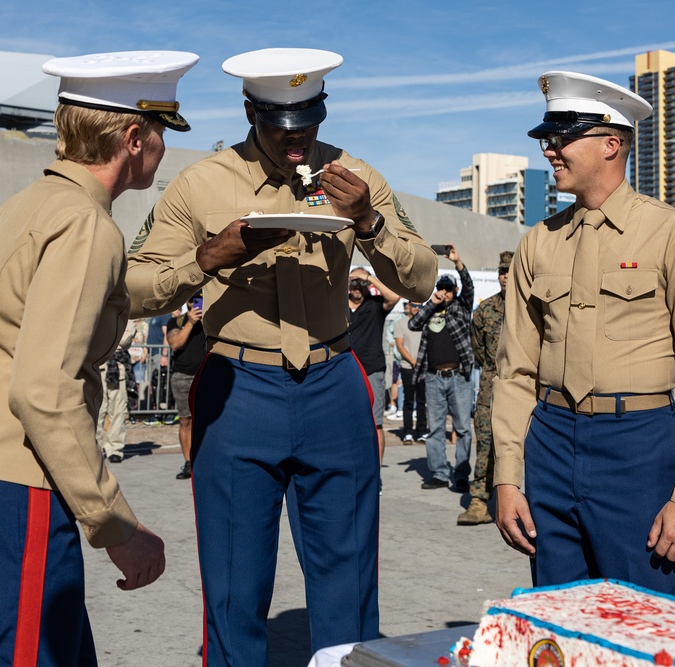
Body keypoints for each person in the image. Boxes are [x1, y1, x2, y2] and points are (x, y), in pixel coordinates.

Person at [123, 48, 436, 666]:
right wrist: (209, 257)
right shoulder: (202, 183)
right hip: (238, 389)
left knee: (348, 579)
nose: (296, 141)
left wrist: (369, 222)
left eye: (308, 125)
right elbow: (133, 287)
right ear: (250, 113)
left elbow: (423, 276)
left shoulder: (355, 176)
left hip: (333, 384)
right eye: (279, 126)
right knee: (236, 581)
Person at [0, 50, 196, 665]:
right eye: (162, 134)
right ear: (132, 137)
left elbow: (105, 298)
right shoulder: (86, 226)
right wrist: (116, 525)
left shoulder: (15, 212)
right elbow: (43, 388)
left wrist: (202, 262)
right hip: (11, 495)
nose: (163, 150)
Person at [492, 71, 675, 600]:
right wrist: (507, 477)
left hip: (638, 447)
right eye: (546, 140)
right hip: (550, 442)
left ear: (611, 143)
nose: (549, 150)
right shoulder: (538, 243)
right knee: (557, 622)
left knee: (648, 621)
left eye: (562, 138)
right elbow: (514, 372)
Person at [408, 246, 475, 492]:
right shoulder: (430, 309)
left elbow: (469, 287)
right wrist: (431, 302)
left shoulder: (461, 306)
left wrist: (458, 262)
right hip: (434, 378)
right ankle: (438, 473)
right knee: (435, 428)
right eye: (441, 288)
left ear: (454, 291)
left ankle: (461, 475)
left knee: (462, 428)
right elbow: (414, 324)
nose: (444, 293)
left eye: (448, 289)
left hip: (458, 376)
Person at [458, 251, 512, 525]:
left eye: (509, 271)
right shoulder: (484, 310)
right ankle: (479, 501)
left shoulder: (534, 308)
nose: (505, 276)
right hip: (492, 385)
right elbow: (479, 351)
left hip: (529, 387)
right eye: (502, 271)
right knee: (486, 442)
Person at [349, 268, 400, 463]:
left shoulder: (375, 305)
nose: (357, 287)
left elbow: (394, 297)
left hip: (372, 370)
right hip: (345, 371)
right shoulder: (336, 306)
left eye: (361, 283)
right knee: (345, 422)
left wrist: (369, 277)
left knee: (375, 422)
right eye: (354, 282)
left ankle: (375, 473)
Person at [166, 293, 205, 480]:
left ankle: (206, 461)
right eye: (193, 300)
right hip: (183, 376)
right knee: (185, 421)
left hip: (207, 375)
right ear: (187, 302)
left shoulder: (212, 320)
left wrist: (206, 322)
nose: (195, 303)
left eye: (200, 299)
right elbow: (175, 344)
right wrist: (190, 322)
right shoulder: (177, 321)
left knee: (209, 421)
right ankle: (188, 463)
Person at [97, 320, 137, 463]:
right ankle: (95, 447)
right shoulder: (99, 312)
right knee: (98, 410)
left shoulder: (127, 317)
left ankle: (115, 449)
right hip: (98, 368)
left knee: (118, 410)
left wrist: (103, 342)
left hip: (118, 369)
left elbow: (125, 340)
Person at [394, 301, 427, 442]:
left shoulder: (425, 322)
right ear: (408, 306)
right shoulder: (400, 323)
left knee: (422, 401)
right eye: (414, 305)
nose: (417, 308)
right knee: (408, 401)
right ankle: (408, 431)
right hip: (408, 367)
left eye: (420, 306)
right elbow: (400, 346)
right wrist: (413, 361)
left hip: (424, 368)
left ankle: (421, 431)